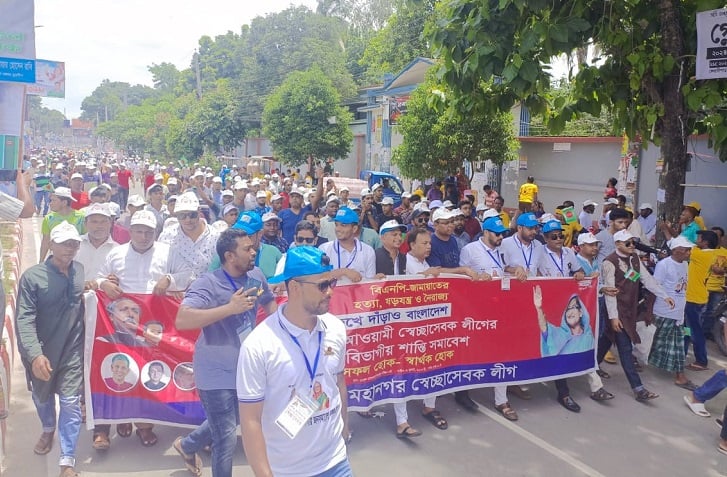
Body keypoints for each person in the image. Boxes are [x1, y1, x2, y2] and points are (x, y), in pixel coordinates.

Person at [237, 246, 352, 477]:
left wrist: (344, 432)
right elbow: (250, 420)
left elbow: (338, 382)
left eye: (332, 283)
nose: (330, 292)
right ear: (295, 287)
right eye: (322, 285)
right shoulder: (259, 345)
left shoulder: (336, 329)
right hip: (286, 470)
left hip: (336, 462)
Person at [174, 227, 276, 477]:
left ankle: (186, 445)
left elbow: (269, 302)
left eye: (253, 247)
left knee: (232, 421)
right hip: (214, 370)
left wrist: (282, 333)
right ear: (230, 256)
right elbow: (182, 320)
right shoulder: (208, 283)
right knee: (226, 438)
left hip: (247, 367)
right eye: (247, 249)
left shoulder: (256, 276)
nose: (254, 251)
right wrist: (229, 308)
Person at [16, 221, 85, 477]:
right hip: (42, 352)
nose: (70, 248)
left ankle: (67, 460)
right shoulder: (33, 277)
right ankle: (47, 428)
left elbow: (82, 296)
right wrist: (34, 354)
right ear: (52, 245)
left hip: (71, 352)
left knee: (69, 402)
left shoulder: (79, 270)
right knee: (42, 398)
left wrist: (98, 285)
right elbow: (24, 318)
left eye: (74, 244)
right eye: (64, 243)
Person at [602, 230, 674, 401]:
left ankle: (590, 369)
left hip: (629, 310)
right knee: (625, 349)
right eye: (628, 243)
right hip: (617, 311)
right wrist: (613, 317)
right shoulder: (609, 262)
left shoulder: (635, 258)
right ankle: (639, 389)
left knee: (604, 342)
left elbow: (647, 280)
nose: (632, 246)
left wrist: (665, 296)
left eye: (633, 242)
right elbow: (610, 293)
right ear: (617, 244)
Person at [647, 236, 695, 389]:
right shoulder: (664, 265)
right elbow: (654, 287)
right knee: (654, 341)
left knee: (678, 345)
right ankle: (635, 356)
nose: (689, 252)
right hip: (663, 312)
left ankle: (680, 375)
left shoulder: (685, 265)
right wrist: (649, 311)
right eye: (686, 250)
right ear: (676, 250)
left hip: (678, 313)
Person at [319, 207, 376, 284]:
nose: (338, 229)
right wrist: (343, 271)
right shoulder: (324, 249)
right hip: (333, 295)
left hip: (359, 295)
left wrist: (377, 280)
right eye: (336, 224)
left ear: (354, 229)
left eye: (343, 225)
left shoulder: (368, 251)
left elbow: (370, 283)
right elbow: (319, 279)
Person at [39, 187, 86, 262]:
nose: (50, 203)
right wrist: (41, 261)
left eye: (53, 200)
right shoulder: (49, 219)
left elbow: (86, 240)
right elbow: (45, 241)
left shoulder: (81, 218)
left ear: (64, 203)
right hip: (56, 261)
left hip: (77, 259)